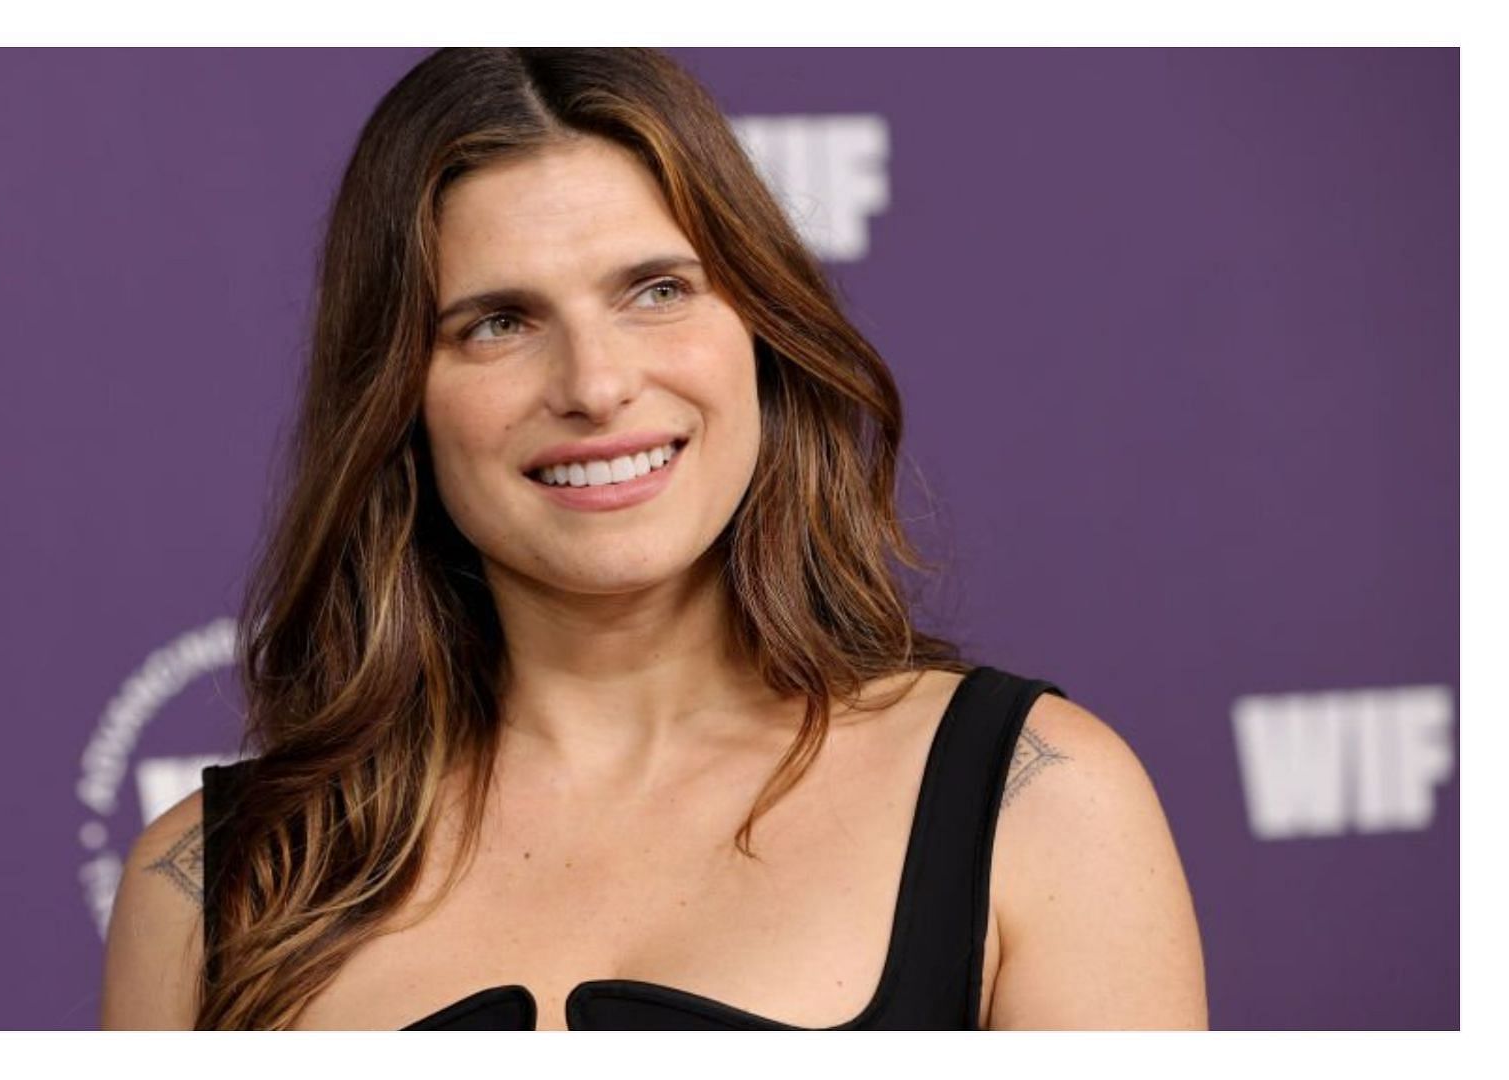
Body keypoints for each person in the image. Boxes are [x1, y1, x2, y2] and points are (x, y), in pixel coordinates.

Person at [100, 47, 1207, 1031]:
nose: (595, 385)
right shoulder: (206, 888)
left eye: (657, 290)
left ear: (762, 333)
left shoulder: (1039, 800)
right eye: (499, 322)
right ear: (398, 398)